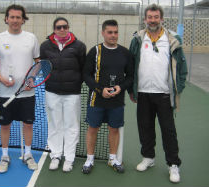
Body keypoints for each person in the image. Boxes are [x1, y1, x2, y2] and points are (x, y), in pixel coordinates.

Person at [129, 4, 188, 183]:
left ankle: (173, 165)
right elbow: (131, 66)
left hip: (164, 94)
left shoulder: (172, 39)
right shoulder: (138, 38)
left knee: (168, 131)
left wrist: (179, 86)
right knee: (145, 128)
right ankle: (148, 158)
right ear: (145, 19)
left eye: (156, 17)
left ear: (161, 19)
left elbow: (182, 68)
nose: (152, 20)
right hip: (143, 93)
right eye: (150, 17)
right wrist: (131, 89)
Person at [0, 4, 40, 173]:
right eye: (11, 17)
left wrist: (31, 79)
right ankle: (5, 156)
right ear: (6, 19)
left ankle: (28, 154)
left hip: (28, 93)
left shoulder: (31, 38)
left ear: (23, 20)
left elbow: (38, 63)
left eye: (18, 17)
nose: (14, 20)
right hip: (5, 93)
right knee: (5, 125)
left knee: (28, 124)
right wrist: (2, 79)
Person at [82, 19, 133, 174]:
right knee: (93, 128)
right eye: (109, 32)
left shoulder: (125, 53)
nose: (113, 35)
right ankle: (89, 159)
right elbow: (86, 74)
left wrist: (121, 87)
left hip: (117, 100)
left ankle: (112, 159)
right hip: (96, 98)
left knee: (114, 129)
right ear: (103, 33)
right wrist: (99, 89)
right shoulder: (95, 51)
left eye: (115, 32)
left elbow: (130, 76)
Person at [40, 17, 86, 172]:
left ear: (68, 28)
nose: (62, 29)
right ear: (54, 29)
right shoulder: (45, 46)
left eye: (64, 27)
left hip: (72, 93)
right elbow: (44, 67)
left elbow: (82, 68)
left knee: (71, 126)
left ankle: (69, 158)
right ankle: (56, 155)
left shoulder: (79, 46)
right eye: (58, 27)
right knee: (54, 125)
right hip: (51, 92)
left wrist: (74, 84)